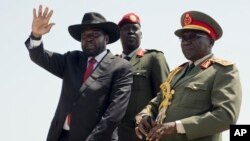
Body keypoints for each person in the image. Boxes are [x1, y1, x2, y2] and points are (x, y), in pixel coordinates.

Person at [25, 5, 133, 141]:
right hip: (60, 136)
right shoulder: (71, 59)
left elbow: (114, 114)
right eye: (84, 36)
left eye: (94, 34)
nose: (88, 38)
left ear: (106, 39)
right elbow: (39, 56)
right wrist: (36, 35)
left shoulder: (121, 67)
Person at [135, 11, 242, 141]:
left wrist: (177, 126)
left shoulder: (222, 71)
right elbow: (158, 101)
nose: (186, 42)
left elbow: (226, 117)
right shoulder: (177, 72)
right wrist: (145, 115)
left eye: (193, 37)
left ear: (211, 42)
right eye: (183, 38)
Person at [117, 13, 170, 141]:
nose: (131, 32)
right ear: (119, 35)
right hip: (114, 135)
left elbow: (165, 97)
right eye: (126, 29)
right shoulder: (112, 63)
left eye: (135, 29)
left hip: (142, 134)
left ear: (141, 34)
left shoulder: (153, 58)